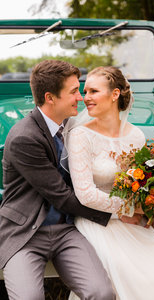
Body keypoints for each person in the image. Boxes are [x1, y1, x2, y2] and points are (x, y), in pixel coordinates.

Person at [66, 66, 154, 300]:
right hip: (98, 221)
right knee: (125, 281)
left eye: (93, 91)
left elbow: (141, 184)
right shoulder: (81, 136)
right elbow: (85, 195)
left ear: (115, 94)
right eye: (85, 91)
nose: (86, 98)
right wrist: (126, 210)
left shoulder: (136, 136)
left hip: (135, 221)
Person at [0, 60, 116, 300]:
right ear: (50, 97)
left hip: (66, 230)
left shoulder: (74, 126)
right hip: (26, 233)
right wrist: (119, 213)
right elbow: (61, 195)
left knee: (102, 293)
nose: (81, 98)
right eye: (74, 91)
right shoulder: (24, 137)